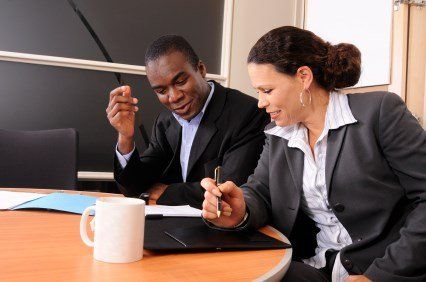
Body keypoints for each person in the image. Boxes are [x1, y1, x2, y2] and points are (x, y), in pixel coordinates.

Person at [200, 26, 426, 282]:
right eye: (258, 92)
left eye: (267, 90)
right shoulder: (278, 135)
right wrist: (241, 208)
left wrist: (380, 275)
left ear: (304, 77)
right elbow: (260, 191)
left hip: (386, 269)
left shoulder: (380, 112)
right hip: (318, 265)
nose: (261, 102)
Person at [106, 35, 270, 208]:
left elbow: (228, 192)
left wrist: (166, 191)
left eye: (181, 81)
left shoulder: (248, 113)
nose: (174, 97)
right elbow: (134, 187)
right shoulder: (165, 121)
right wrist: (125, 137)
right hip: (173, 226)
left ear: (201, 69)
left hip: (225, 228)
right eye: (161, 91)